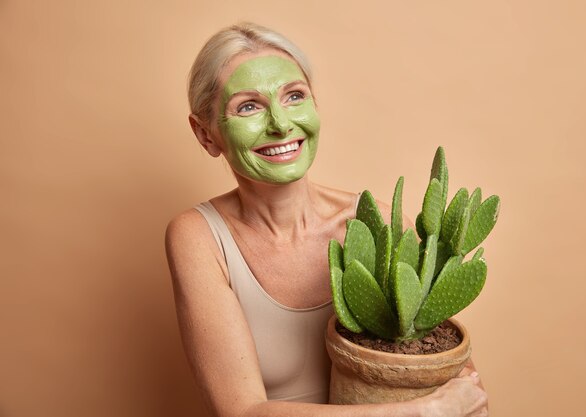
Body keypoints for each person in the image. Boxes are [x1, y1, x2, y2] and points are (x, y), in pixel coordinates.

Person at [165, 22, 489, 417]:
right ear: (206, 135)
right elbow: (241, 411)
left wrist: (450, 404)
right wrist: (424, 412)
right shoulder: (198, 236)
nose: (281, 124)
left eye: (295, 96)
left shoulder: (379, 225)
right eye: (248, 106)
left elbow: (462, 388)